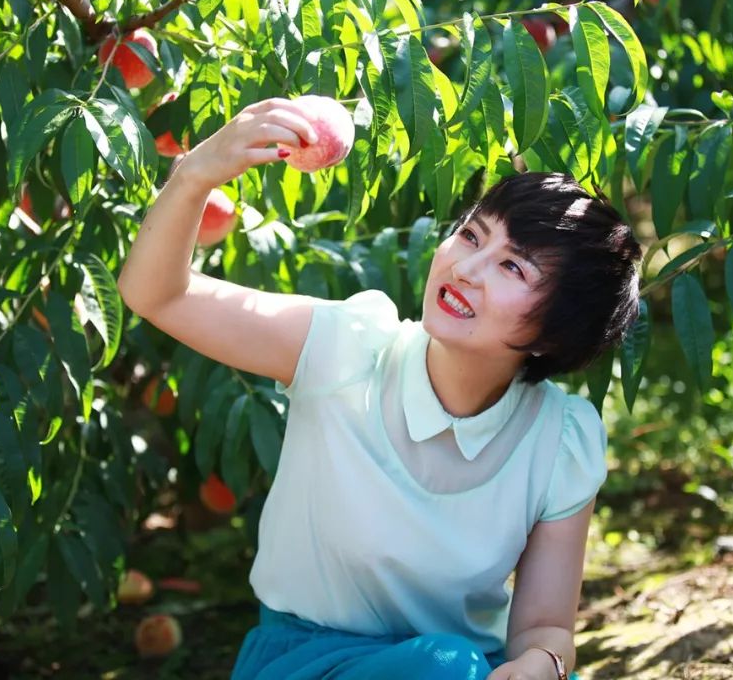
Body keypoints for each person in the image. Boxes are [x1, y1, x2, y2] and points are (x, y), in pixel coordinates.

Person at [117, 97, 642, 680]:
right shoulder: (347, 349)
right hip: (307, 662)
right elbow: (158, 294)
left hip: (463, 671)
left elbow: (545, 628)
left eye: (513, 267)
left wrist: (542, 664)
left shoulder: (559, 440)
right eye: (472, 236)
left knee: (453, 664)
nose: (466, 268)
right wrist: (197, 172)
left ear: (557, 334)